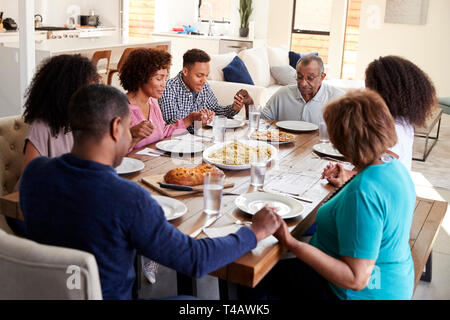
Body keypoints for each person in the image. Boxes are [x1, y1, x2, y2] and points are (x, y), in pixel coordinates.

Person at [19, 84, 281, 300]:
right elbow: (195, 259)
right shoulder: (128, 198)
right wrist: (254, 232)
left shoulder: (35, 174)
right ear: (116, 127)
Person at [240, 90, 416, 300]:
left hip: (356, 293)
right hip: (393, 280)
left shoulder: (363, 193)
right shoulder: (393, 167)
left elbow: (356, 279)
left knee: (252, 277)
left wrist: (291, 242)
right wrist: (346, 184)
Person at [8, 54, 99, 236]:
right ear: (66, 91)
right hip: (31, 208)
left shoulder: (83, 121)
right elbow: (32, 179)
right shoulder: (42, 126)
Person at [322, 56, 437, 186]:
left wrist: (346, 174)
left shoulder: (393, 127)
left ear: (382, 91)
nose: (366, 92)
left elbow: (381, 175)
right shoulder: (401, 120)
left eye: (369, 87)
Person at [119, 48, 212, 150]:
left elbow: (163, 133)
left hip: (154, 163)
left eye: (165, 78)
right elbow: (111, 155)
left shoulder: (152, 103)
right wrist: (132, 136)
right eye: (159, 79)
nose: (164, 84)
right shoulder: (120, 109)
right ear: (141, 77)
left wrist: (191, 118)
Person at [159, 48, 254, 132]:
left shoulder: (203, 86)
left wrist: (234, 108)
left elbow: (216, 109)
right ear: (185, 71)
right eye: (199, 75)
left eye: (206, 75)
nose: (204, 80)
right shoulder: (168, 89)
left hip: (199, 138)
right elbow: (171, 125)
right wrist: (196, 120)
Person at [261, 55, 345, 125]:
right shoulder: (283, 94)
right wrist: (250, 104)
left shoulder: (338, 99)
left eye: (310, 78)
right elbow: (263, 121)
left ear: (322, 77)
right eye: (299, 77)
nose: (303, 83)